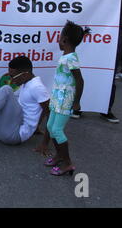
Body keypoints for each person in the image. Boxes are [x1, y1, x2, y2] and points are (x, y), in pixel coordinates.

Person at [36, 21, 88, 176]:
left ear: (64, 39)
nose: (58, 41)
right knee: (51, 127)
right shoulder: (65, 56)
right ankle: (59, 156)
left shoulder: (71, 58)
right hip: (57, 98)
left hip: (65, 100)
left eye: (59, 38)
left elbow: (80, 80)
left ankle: (67, 163)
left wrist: (77, 101)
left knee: (57, 130)